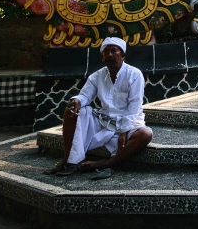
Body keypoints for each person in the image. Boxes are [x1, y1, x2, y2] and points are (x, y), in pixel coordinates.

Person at [43, 37, 153, 180]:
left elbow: (134, 107)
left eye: (114, 51)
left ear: (123, 55)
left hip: (130, 123)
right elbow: (85, 96)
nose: (110, 55)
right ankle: (68, 160)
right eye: (106, 52)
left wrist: (124, 133)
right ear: (102, 57)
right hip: (104, 121)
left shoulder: (134, 74)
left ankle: (105, 163)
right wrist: (76, 100)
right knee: (71, 110)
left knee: (146, 134)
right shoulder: (97, 76)